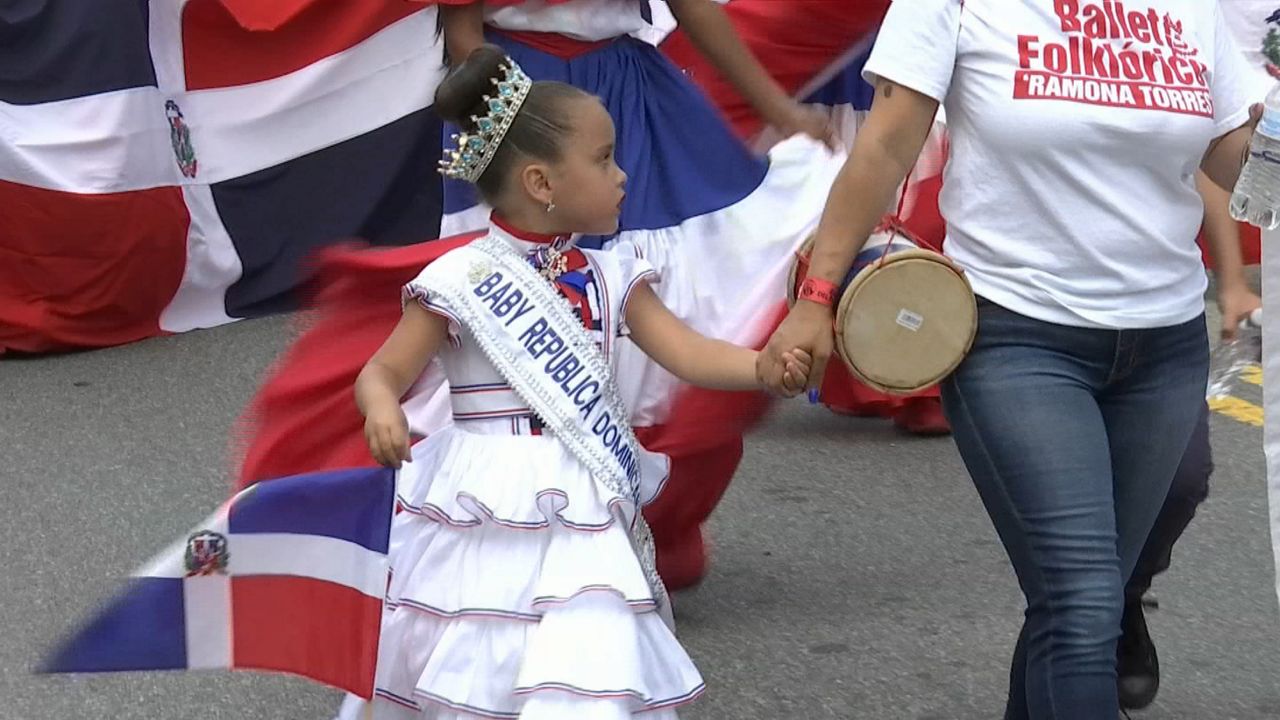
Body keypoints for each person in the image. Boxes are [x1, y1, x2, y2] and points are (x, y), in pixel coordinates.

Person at [757, 2, 1259, 718]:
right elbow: (886, 147)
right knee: (1084, 604)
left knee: (1080, 607)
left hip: (1164, 345)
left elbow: (1229, 154)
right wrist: (815, 294)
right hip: (1017, 335)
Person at [337, 46, 811, 719]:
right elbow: (384, 368)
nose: (622, 176)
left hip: (584, 492)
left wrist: (760, 367)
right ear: (540, 183)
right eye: (604, 159)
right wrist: (381, 404)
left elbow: (689, 351)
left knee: (588, 644)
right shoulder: (459, 280)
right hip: (484, 495)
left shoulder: (613, 275)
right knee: (479, 639)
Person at [1117, 172, 1262, 710]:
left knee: (1181, 480)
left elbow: (1216, 162)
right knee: (1068, 570)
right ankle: (1088, 623)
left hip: (1161, 319)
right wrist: (829, 282)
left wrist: (1231, 282)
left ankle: (1126, 595)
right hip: (1033, 320)